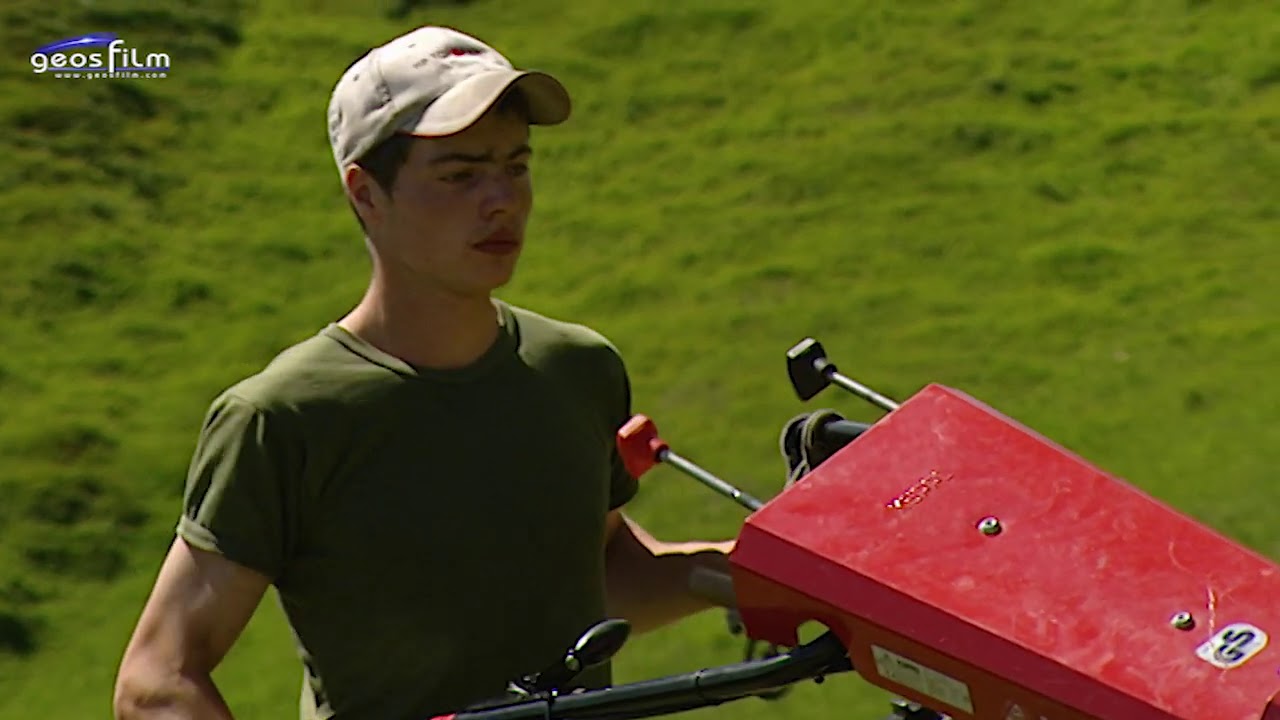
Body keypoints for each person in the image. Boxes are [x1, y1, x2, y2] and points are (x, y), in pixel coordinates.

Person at [112, 24, 738, 720]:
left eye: (516, 165)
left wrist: (762, 574)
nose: (502, 199)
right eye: (461, 175)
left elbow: (602, 575)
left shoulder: (577, 369)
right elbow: (158, 680)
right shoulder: (285, 419)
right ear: (365, 194)